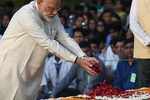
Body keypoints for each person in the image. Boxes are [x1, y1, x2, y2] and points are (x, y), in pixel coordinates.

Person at [0, 0, 99, 100]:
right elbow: (47, 42)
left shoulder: (52, 15)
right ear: (39, 2)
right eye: (51, 8)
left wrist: (83, 56)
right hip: (11, 67)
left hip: (32, 70)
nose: (55, 13)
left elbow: (64, 38)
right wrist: (77, 60)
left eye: (57, 9)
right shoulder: (26, 14)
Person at [129, 0, 150, 87]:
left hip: (143, 51)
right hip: (144, 53)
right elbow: (133, 23)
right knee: (145, 89)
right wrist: (147, 40)